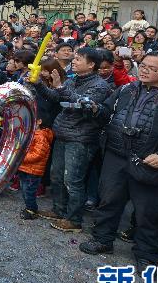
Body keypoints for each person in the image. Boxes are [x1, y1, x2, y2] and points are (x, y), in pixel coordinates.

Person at [80, 51, 158, 271]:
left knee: (149, 211)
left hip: (150, 163)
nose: (145, 70)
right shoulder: (126, 89)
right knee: (109, 200)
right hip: (116, 155)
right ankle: (102, 239)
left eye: (153, 69)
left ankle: (146, 254)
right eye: (143, 66)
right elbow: (107, 111)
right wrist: (96, 109)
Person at [30, 47, 111, 232]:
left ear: (91, 65)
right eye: (74, 58)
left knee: (73, 180)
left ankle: (74, 220)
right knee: (57, 175)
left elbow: (85, 104)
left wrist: (59, 87)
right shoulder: (74, 80)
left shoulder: (100, 86)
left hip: (81, 138)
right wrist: (38, 84)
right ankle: (59, 210)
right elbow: (56, 98)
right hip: (64, 134)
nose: (74, 61)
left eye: (79, 59)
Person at [17, 57, 63, 219]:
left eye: (46, 70)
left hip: (46, 122)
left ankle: (32, 207)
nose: (43, 73)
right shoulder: (35, 82)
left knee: (31, 184)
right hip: (37, 119)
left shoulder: (59, 87)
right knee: (26, 184)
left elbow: (37, 153)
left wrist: (22, 157)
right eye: (41, 69)